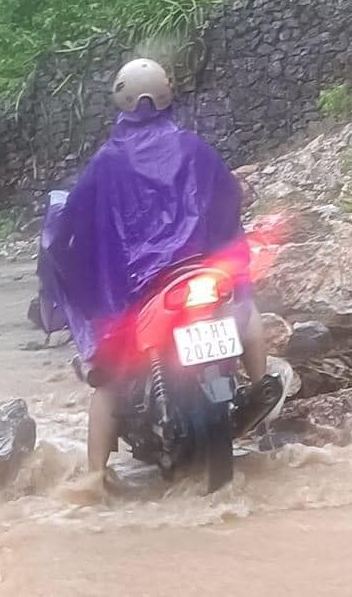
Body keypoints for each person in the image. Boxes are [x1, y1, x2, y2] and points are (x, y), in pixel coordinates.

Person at [48, 57, 270, 474]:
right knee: (246, 305)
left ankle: (94, 481)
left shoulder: (107, 161)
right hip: (200, 275)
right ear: (167, 94)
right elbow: (228, 200)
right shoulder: (193, 147)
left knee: (109, 378)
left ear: (121, 100)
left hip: (137, 289)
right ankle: (262, 390)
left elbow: (74, 223)